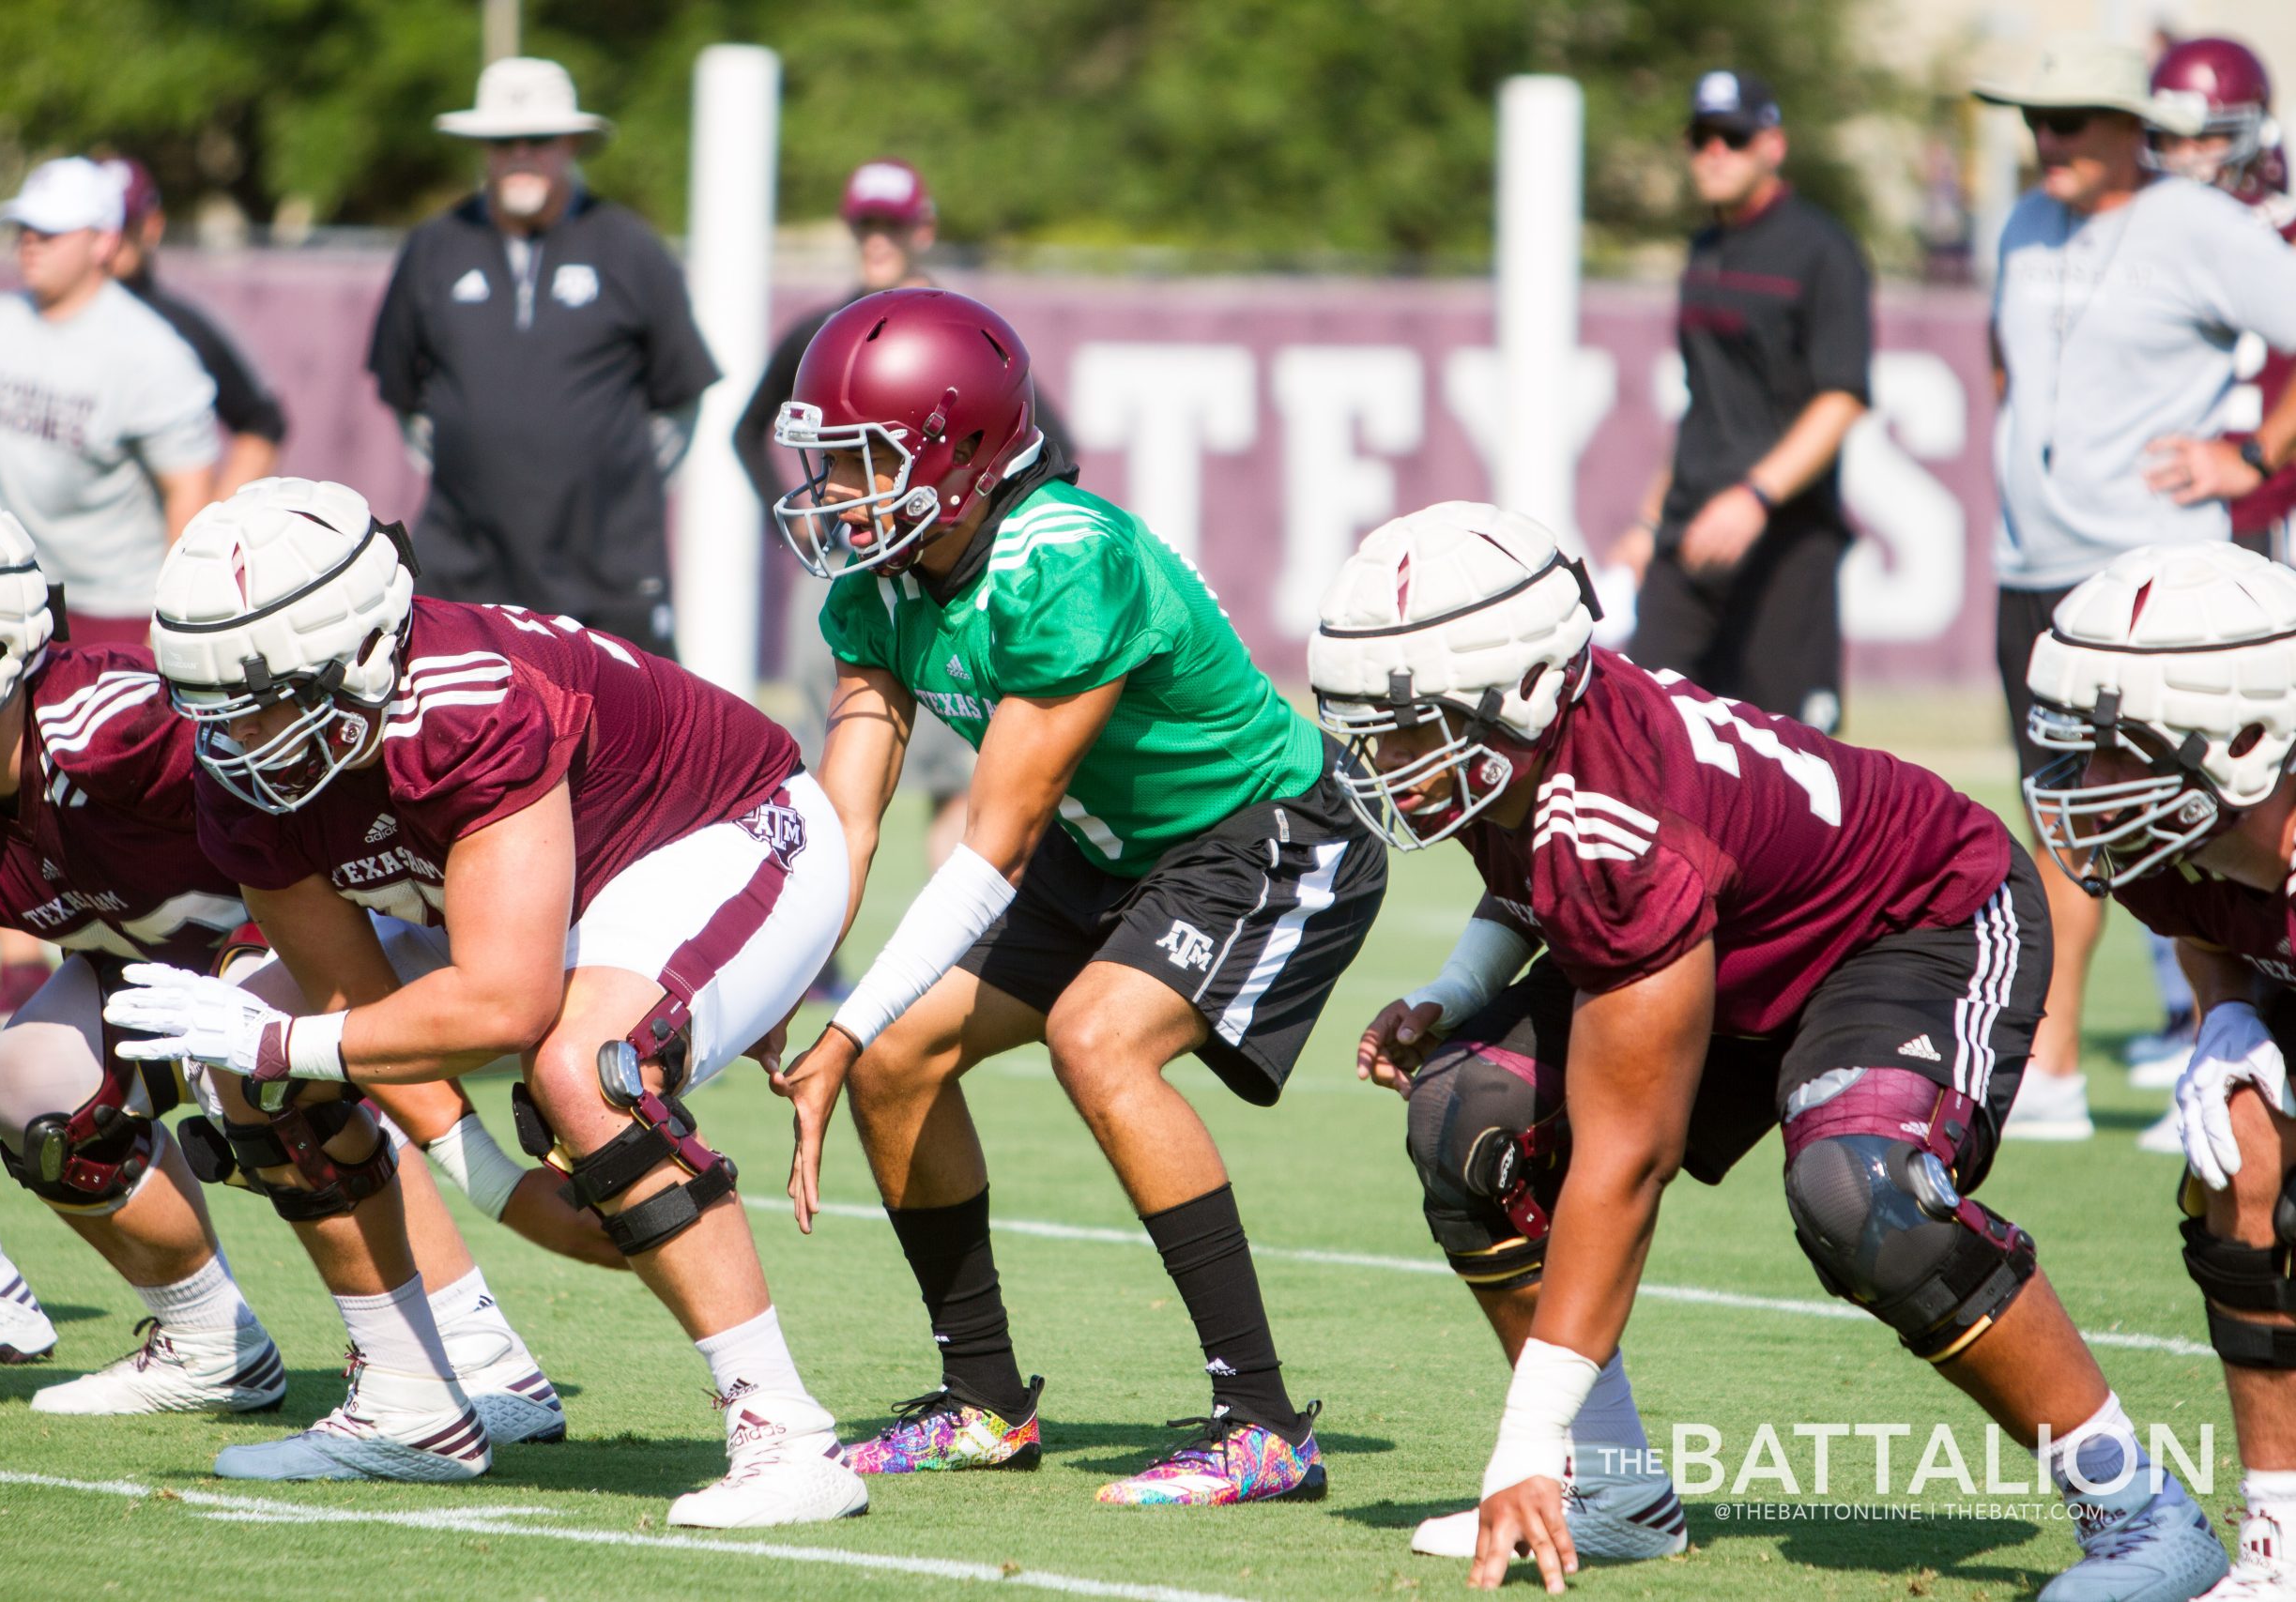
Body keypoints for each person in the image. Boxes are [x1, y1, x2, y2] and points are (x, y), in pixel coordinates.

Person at [1313, 501, 2227, 1599]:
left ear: (1518, 688)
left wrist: (1521, 1445)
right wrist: (1457, 989)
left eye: (1410, 726)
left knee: (1866, 1194)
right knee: (1466, 1116)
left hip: (1913, 924)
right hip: (1727, 942)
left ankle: (2140, 1517)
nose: (1385, 757)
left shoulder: (1616, 812)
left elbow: (1624, 1166)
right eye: (1372, 725)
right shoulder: (1530, 738)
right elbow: (1527, 868)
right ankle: (1615, 1492)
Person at [107, 476, 866, 1524]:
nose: (247, 736)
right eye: (223, 706)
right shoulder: (240, 767)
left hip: (727, 832)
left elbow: (505, 1006)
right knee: (253, 1052)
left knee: (587, 1066)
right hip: (527, 892)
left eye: (276, 696)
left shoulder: (467, 702)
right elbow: (352, 1009)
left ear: (366, 651)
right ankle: (415, 1400)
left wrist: (294, 1042)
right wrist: (500, 1185)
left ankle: (784, 1430)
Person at [766, 288, 1387, 1505]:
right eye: (825, 462)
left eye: (859, 463)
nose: (831, 493)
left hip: (1261, 825)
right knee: (900, 1057)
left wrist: (835, 1026)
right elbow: (843, 822)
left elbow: (993, 844)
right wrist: (751, 988)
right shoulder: (875, 590)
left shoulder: (1066, 558)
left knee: (1098, 1037)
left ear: (957, 454)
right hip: (1107, 848)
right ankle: (983, 1403)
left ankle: (1261, 1423)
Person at [0, 492, 577, 1463]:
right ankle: (208, 1341)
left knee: (264, 1056)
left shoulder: (118, 729)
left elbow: (324, 827)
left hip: (311, 938)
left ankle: (470, 1349)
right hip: (159, 973)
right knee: (31, 1092)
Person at [1973, 34, 2296, 1142]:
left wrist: (2251, 457)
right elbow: (2008, 358)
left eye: (2066, 122)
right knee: (2056, 813)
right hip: (2031, 564)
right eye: (2033, 122)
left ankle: (2218, 1038)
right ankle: (2060, 1068)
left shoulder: (2201, 225)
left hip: (2150, 582)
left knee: (2181, 808)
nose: (2044, 142)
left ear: (2131, 125)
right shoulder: (2021, 223)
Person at [2023, 541, 2296, 1599]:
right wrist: (2226, 1012)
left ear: (2244, 738)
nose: (2088, 789)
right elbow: (2203, 918)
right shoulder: (2177, 846)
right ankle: (2278, 1540)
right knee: (2239, 1156)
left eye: (2121, 751)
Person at [735, 159, 1074, 872]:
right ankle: (816, 944)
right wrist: (796, 523)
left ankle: (959, 939)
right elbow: (748, 428)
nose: (877, 237)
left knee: (965, 770)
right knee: (822, 750)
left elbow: (1043, 442)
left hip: (947, 570)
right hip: (855, 561)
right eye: (865, 223)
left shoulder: (957, 339)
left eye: (893, 223)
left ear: (925, 227)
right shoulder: (823, 334)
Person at [367, 57, 719, 658]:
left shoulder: (630, 246)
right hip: (467, 568)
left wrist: (608, 480)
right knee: (462, 737)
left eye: (541, 140)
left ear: (573, 144)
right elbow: (404, 394)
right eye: (504, 141)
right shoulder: (434, 248)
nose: (521, 154)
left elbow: (680, 395)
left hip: (607, 572)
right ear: (483, 149)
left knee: (629, 740)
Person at [2125, 38, 2296, 1142]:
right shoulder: (2150, 236)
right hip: (2210, 542)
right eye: (2169, 137)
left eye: (2203, 136)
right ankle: (2213, 1013)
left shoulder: (2267, 239)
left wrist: (2256, 458)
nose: (2185, 159)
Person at [1609, 69, 1872, 737]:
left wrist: (1755, 495)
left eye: (1733, 136)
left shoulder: (1821, 250)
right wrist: (1647, 523)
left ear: (1772, 146)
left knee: (1789, 762)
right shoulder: (1705, 249)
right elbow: (1705, 400)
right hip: (1689, 534)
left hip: (1783, 538)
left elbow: (1841, 397)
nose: (1715, 152)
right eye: (1702, 137)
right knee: (1644, 738)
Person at [0, 158, 219, 650]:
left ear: (104, 241)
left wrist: (169, 622)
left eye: (51, 230)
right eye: (24, 227)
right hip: (2, 591)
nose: (30, 240)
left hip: (114, 610)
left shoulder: (155, 353)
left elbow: (188, 489)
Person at [104, 157, 289, 498]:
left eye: (123, 225)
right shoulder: (20, 319)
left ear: (152, 226)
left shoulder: (178, 326)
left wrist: (211, 528)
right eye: (97, 225)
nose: (110, 240)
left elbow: (262, 421)